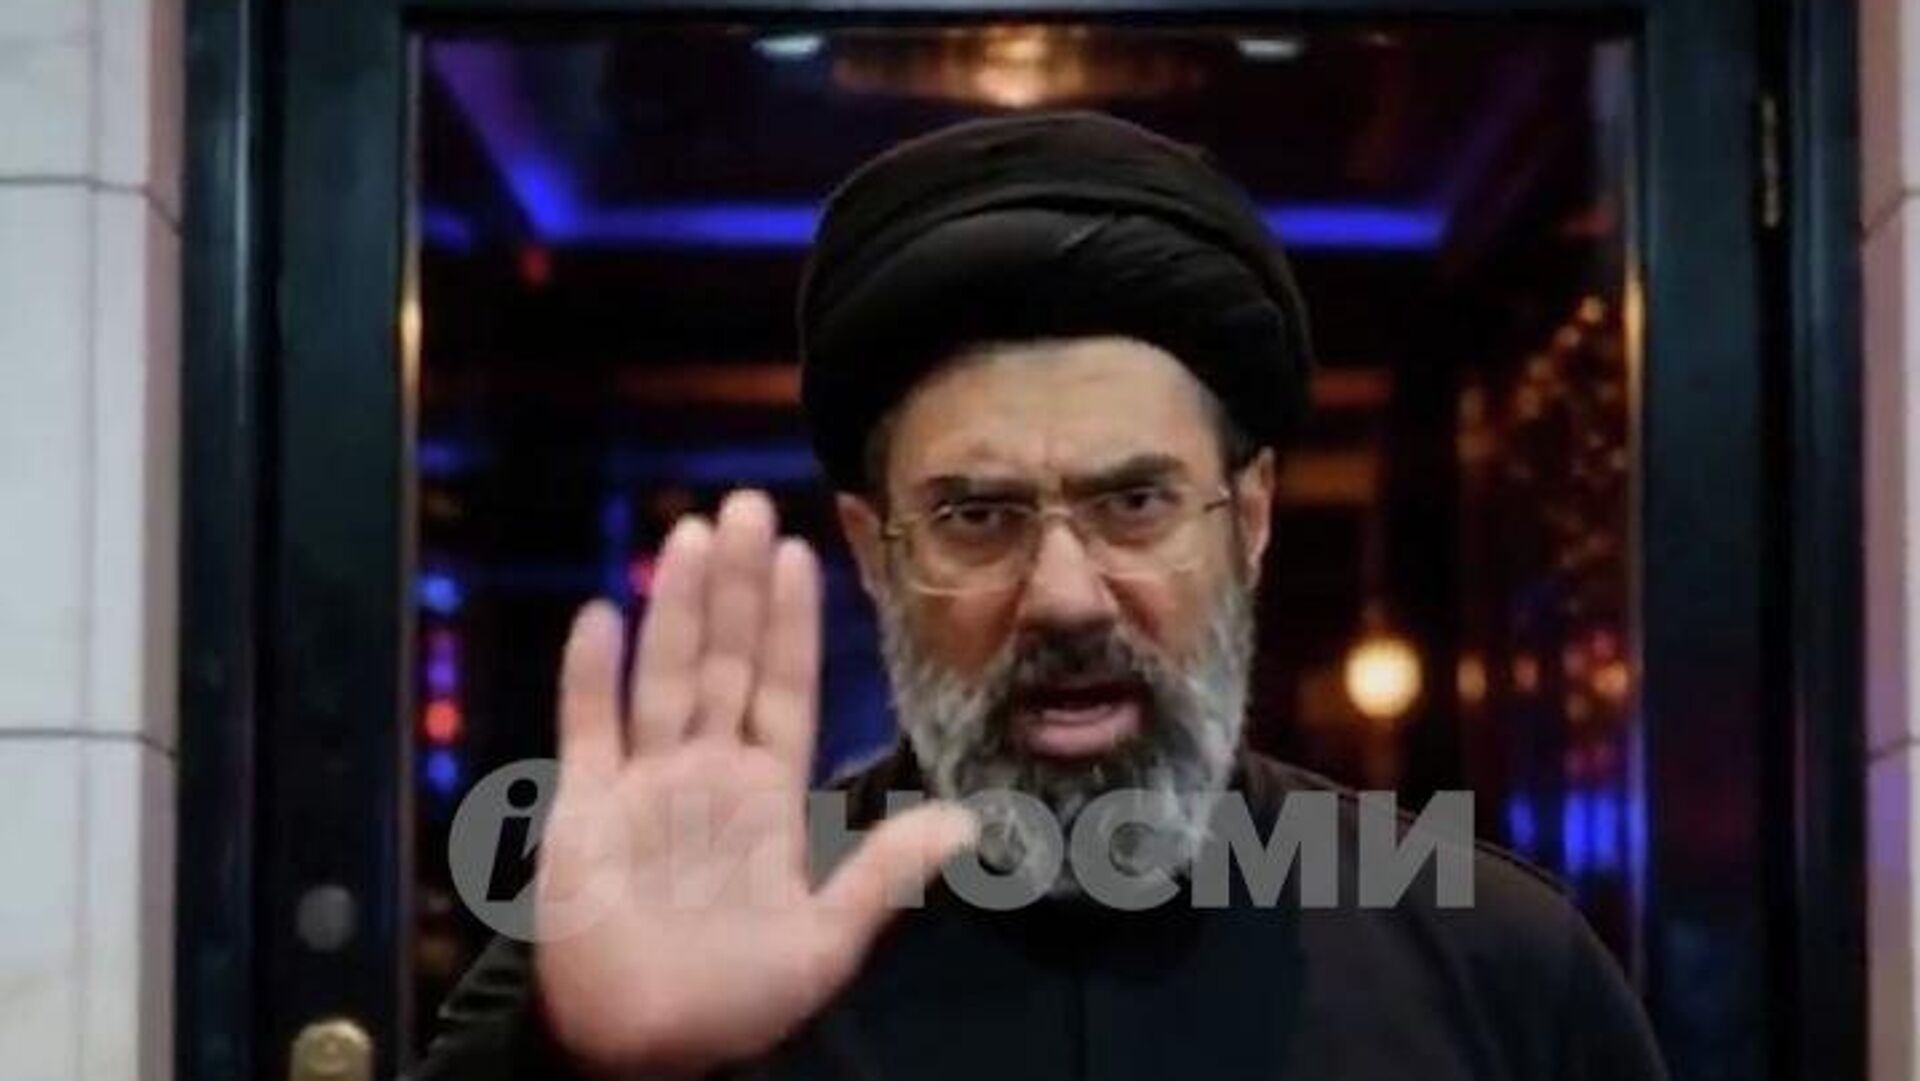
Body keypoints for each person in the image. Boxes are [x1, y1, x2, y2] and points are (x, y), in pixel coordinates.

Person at [413, 112, 1668, 1081]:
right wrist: (587, 1071)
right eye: (979, 515)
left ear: (1252, 518)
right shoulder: (662, 946)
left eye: (1137, 502)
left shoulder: (1495, 959)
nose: (1066, 598)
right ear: (872, 550)